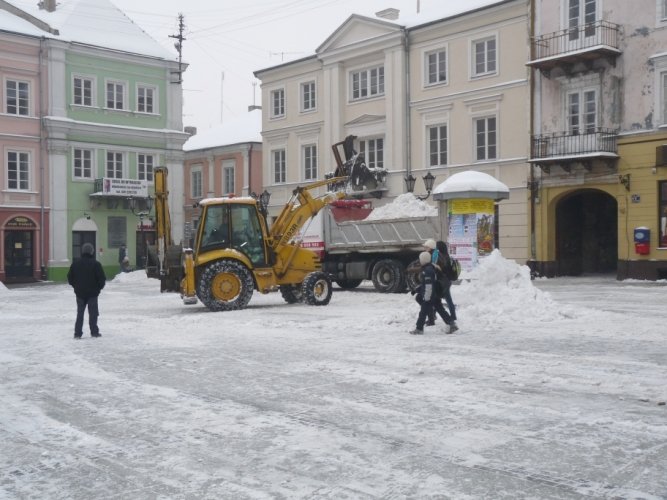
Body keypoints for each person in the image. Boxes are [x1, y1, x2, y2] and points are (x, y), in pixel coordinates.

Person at [67, 243, 106, 339]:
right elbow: (102, 279)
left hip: (80, 293)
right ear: (91, 252)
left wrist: (76, 287)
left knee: (80, 313)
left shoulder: (75, 264)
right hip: (92, 293)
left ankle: (77, 333)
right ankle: (94, 332)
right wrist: (98, 289)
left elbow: (70, 278)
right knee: (93, 313)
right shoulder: (96, 264)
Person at [410, 251, 452, 335]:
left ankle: (419, 329)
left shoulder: (427, 271)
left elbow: (428, 285)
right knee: (440, 309)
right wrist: (417, 289)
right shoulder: (431, 267)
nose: (420, 261)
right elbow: (426, 284)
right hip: (434, 294)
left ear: (424, 260)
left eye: (420, 259)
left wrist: (427, 297)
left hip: (430, 295)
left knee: (423, 312)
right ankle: (452, 324)